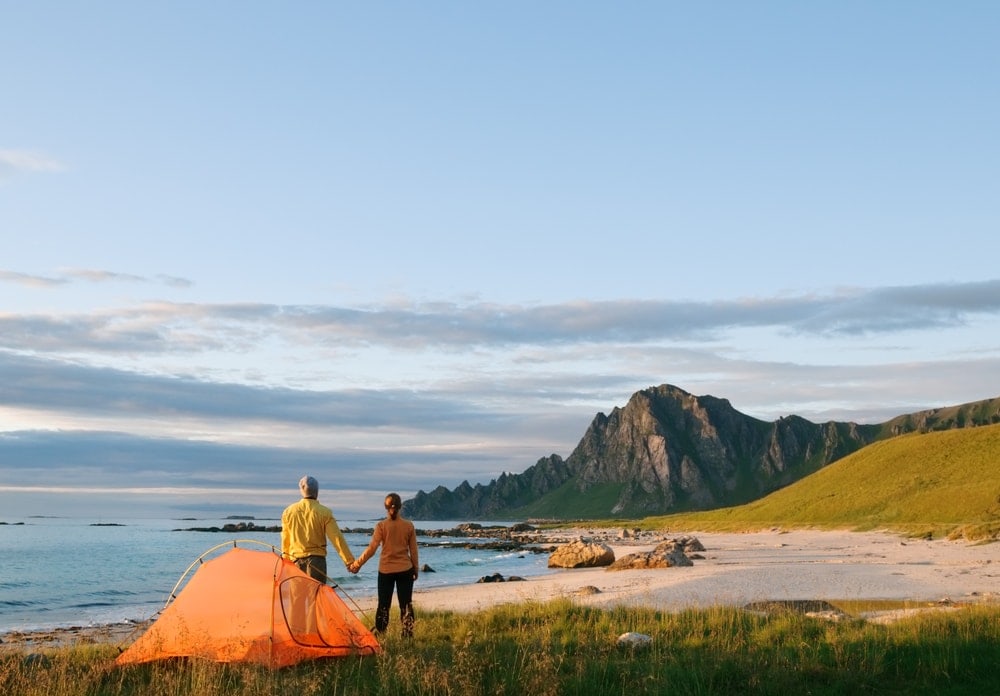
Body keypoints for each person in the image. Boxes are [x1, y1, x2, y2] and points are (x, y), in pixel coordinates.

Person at [348, 492, 419, 637]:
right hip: (405, 570)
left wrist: (357, 564)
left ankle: (380, 635)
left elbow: (372, 549)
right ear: (400, 507)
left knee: (383, 606)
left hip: (385, 571)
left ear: (386, 508)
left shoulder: (381, 526)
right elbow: (413, 551)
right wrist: (416, 568)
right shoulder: (408, 526)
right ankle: (407, 635)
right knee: (406, 605)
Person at [281, 475, 356, 582]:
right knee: (316, 597)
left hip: (295, 561)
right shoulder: (325, 512)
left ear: (301, 490)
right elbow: (336, 538)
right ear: (317, 491)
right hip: (317, 562)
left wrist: (285, 562)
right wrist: (349, 561)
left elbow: (285, 540)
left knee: (297, 598)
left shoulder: (288, 512)